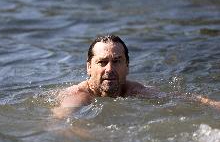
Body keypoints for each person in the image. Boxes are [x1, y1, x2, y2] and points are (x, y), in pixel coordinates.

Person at [53, 34, 220, 118]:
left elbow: (177, 98)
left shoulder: (134, 90)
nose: (109, 69)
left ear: (127, 66)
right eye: (102, 62)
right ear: (89, 67)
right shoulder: (78, 96)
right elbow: (63, 122)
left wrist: (211, 103)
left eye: (117, 61)